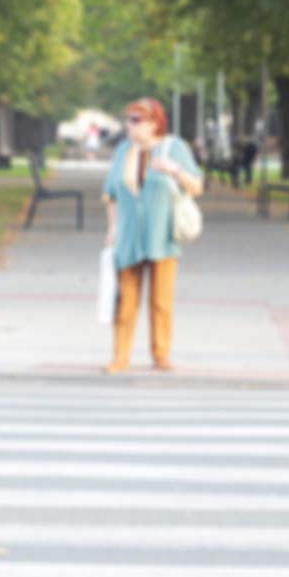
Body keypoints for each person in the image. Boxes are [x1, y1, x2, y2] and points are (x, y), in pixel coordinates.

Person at [102, 98, 203, 373]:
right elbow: (110, 194)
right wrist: (112, 228)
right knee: (125, 301)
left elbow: (196, 187)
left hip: (163, 236)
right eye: (129, 119)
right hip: (128, 237)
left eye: (137, 120)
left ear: (154, 123)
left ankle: (161, 354)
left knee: (161, 301)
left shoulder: (174, 148)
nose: (131, 125)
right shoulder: (123, 150)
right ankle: (120, 357)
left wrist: (174, 170)